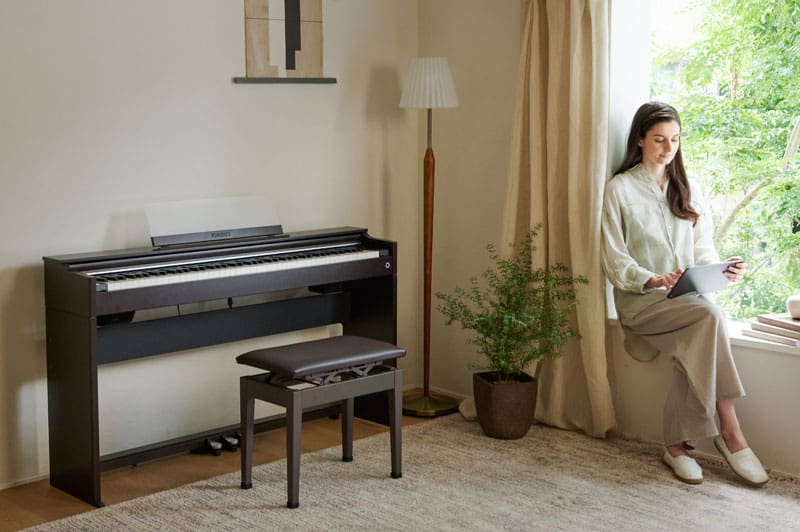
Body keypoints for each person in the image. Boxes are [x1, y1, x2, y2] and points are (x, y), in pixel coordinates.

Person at [601, 101, 769, 486]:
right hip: (641, 304)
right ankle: (731, 432)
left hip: (686, 302)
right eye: (659, 139)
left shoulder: (687, 188)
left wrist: (723, 270)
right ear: (640, 140)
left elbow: (702, 251)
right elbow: (613, 259)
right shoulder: (620, 190)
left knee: (700, 327)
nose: (668, 148)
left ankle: (675, 447)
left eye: (675, 140)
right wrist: (653, 279)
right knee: (708, 319)